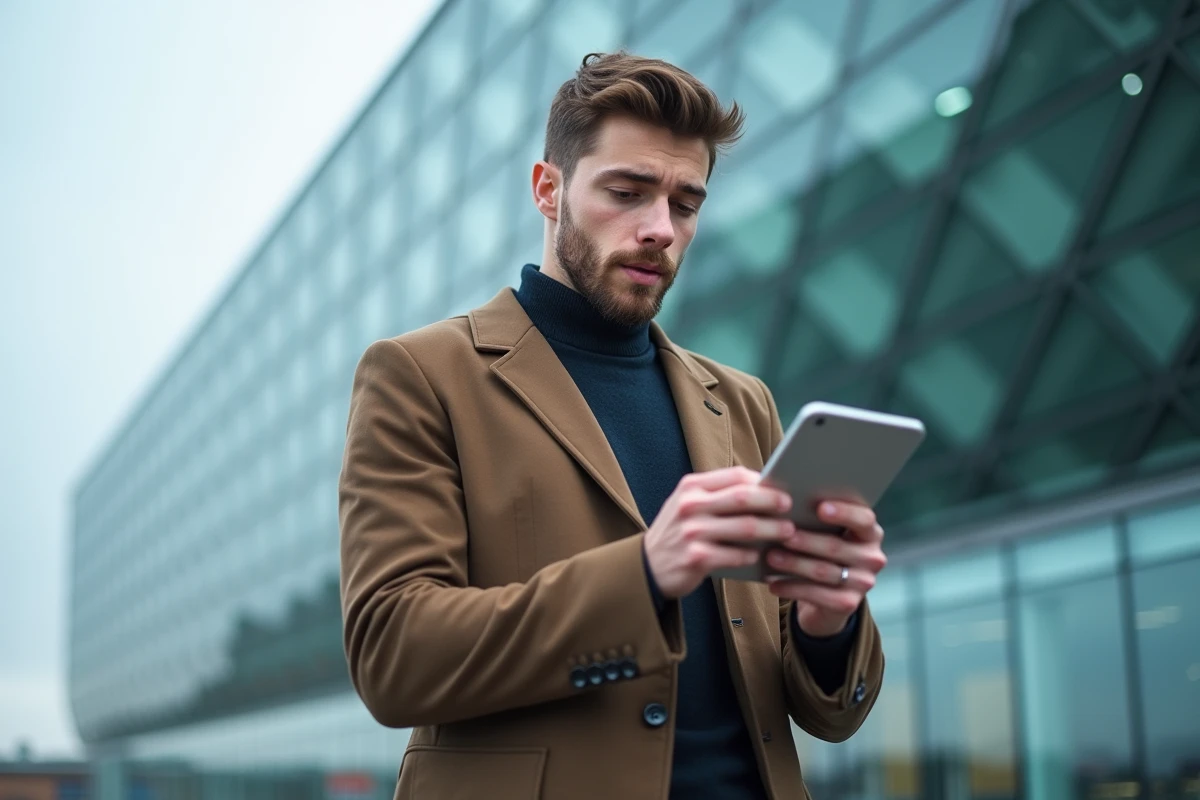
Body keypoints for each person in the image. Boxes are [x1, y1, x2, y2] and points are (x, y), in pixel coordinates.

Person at [339, 51, 887, 800]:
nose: (660, 229)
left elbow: (828, 714)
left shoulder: (743, 401)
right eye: (627, 193)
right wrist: (645, 574)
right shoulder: (421, 374)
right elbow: (393, 658)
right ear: (548, 189)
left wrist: (829, 619)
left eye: (685, 205)